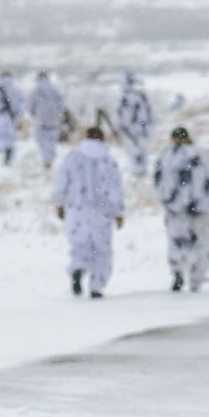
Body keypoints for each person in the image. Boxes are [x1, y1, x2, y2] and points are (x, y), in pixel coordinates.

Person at [54, 126, 125, 298]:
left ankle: (78, 268)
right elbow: (115, 188)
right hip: (102, 211)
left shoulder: (72, 157)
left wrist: (59, 203)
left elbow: (62, 181)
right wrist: (119, 212)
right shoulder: (108, 161)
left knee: (79, 243)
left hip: (77, 208)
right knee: (102, 249)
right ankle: (96, 286)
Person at [151, 127, 209, 292]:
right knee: (201, 244)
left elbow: (159, 183)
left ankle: (178, 272)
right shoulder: (201, 155)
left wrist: (166, 201)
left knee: (177, 243)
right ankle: (195, 278)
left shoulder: (167, 157)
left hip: (176, 209)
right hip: (199, 209)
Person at [116, 72, 155, 178]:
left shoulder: (129, 98)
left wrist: (123, 127)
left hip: (134, 133)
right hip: (139, 132)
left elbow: (126, 118)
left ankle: (138, 175)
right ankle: (140, 174)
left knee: (136, 156)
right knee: (139, 155)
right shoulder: (141, 96)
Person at [28, 71, 67, 168]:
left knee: (42, 144)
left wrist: (35, 115)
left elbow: (29, 107)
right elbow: (61, 106)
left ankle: (47, 160)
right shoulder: (55, 91)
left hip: (41, 122)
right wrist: (59, 117)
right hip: (54, 123)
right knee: (51, 144)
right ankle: (49, 159)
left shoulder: (35, 92)